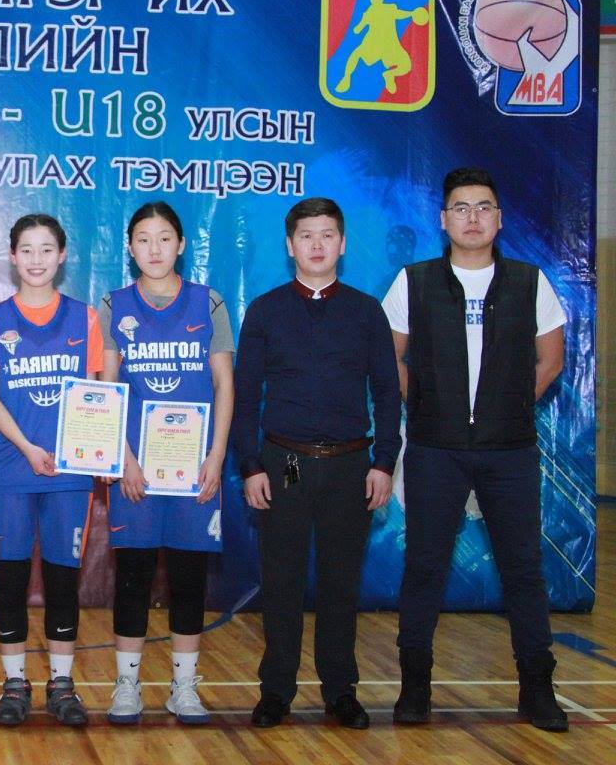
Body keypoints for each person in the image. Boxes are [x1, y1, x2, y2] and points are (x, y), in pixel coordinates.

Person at [384, 167, 568, 732]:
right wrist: (428, 407)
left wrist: (504, 409)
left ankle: (537, 689)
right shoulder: (413, 282)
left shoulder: (530, 282)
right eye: (461, 208)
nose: (472, 218)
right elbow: (389, 357)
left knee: (523, 570)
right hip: (435, 449)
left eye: (483, 207)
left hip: (509, 450)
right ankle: (415, 689)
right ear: (443, 220)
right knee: (424, 568)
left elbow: (551, 359)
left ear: (499, 219)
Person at [233, 197, 400, 730]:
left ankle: (341, 690)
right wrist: (250, 466)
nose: (317, 245)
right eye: (306, 236)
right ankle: (276, 691)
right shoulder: (265, 311)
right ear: (290, 245)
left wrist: (385, 462)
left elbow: (388, 393)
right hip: (283, 463)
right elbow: (245, 395)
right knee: (281, 583)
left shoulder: (366, 312)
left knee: (340, 585)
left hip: (351, 466)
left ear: (343, 243)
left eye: (327, 235)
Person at [99, 202, 235, 726]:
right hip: (135, 469)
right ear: (130, 248)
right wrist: (123, 458)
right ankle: (127, 686)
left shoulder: (209, 302)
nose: (153, 249)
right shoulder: (114, 305)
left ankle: (184, 686)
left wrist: (216, 457)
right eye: (142, 239)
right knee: (132, 576)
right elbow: (108, 388)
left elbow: (224, 383)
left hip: (194, 468)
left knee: (188, 577)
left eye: (163, 238)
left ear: (181, 244)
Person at [0, 214, 103, 727]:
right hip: (12, 469)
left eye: (46, 249)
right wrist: (28, 447)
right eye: (26, 249)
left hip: (69, 475)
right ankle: (13, 684)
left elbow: (95, 396)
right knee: (9, 580)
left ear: (62, 255)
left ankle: (61, 684)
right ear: (12, 256)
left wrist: (95, 452)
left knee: (62, 580)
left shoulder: (84, 319)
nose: (36, 259)